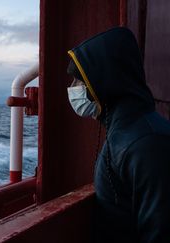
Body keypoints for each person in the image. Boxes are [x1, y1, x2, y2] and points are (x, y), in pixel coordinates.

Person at [66, 27, 170, 243]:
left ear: (103, 81)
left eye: (79, 81)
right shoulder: (130, 133)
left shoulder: (145, 143)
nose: (72, 89)